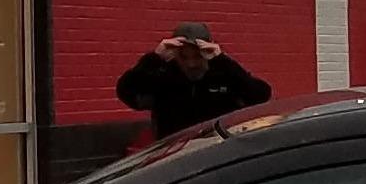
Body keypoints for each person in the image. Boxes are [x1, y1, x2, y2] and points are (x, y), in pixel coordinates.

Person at [115, 21, 273, 144]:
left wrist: (222, 60)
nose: (191, 64)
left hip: (219, 154)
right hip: (174, 157)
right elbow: (127, 93)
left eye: (197, 57)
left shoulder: (224, 73)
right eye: (184, 57)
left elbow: (260, 95)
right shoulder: (164, 76)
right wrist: (154, 59)